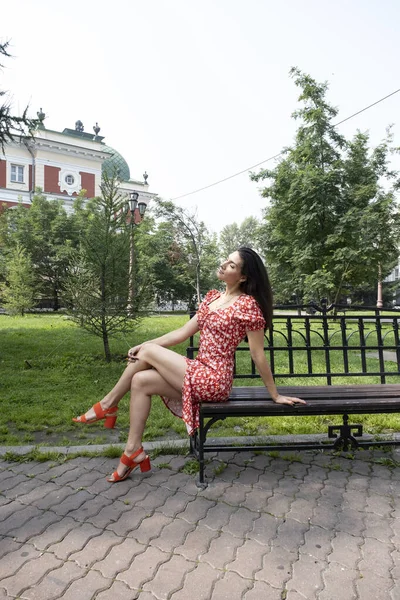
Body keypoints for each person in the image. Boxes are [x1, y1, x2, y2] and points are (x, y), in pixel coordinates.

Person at [73, 247, 306, 482]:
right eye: (227, 260)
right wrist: (146, 344)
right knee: (141, 381)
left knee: (149, 352)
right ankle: (133, 450)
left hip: (215, 380)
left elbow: (258, 355)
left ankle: (108, 404)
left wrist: (275, 395)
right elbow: (182, 333)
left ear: (243, 277)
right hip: (199, 371)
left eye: (232, 265)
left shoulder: (247, 306)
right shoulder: (212, 298)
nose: (224, 265)